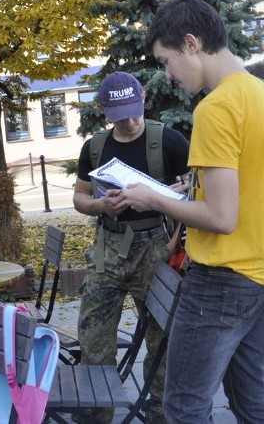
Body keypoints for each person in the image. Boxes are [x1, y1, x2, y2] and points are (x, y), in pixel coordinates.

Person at [122, 0, 264, 423]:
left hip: (220, 279)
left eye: (166, 60)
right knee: (253, 405)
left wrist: (155, 198)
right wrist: (194, 190)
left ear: (190, 43)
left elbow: (222, 219)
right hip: (256, 277)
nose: (167, 73)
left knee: (183, 406)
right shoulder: (257, 93)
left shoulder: (216, 108)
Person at [71, 71, 190, 424]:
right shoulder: (94, 147)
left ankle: (158, 413)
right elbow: (79, 197)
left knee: (161, 337)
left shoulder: (168, 140)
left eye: (135, 109)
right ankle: (98, 411)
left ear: (143, 99)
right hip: (108, 248)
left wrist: (171, 226)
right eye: (121, 114)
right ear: (105, 111)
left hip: (155, 246)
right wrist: (99, 206)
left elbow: (195, 189)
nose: (131, 119)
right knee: (92, 334)